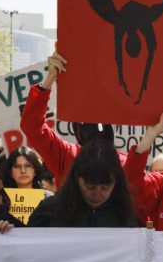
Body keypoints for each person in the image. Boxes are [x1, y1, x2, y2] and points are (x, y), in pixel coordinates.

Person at [18, 51, 126, 188]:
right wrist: (50, 77)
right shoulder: (67, 155)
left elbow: (31, 126)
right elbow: (32, 126)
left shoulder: (67, 155)